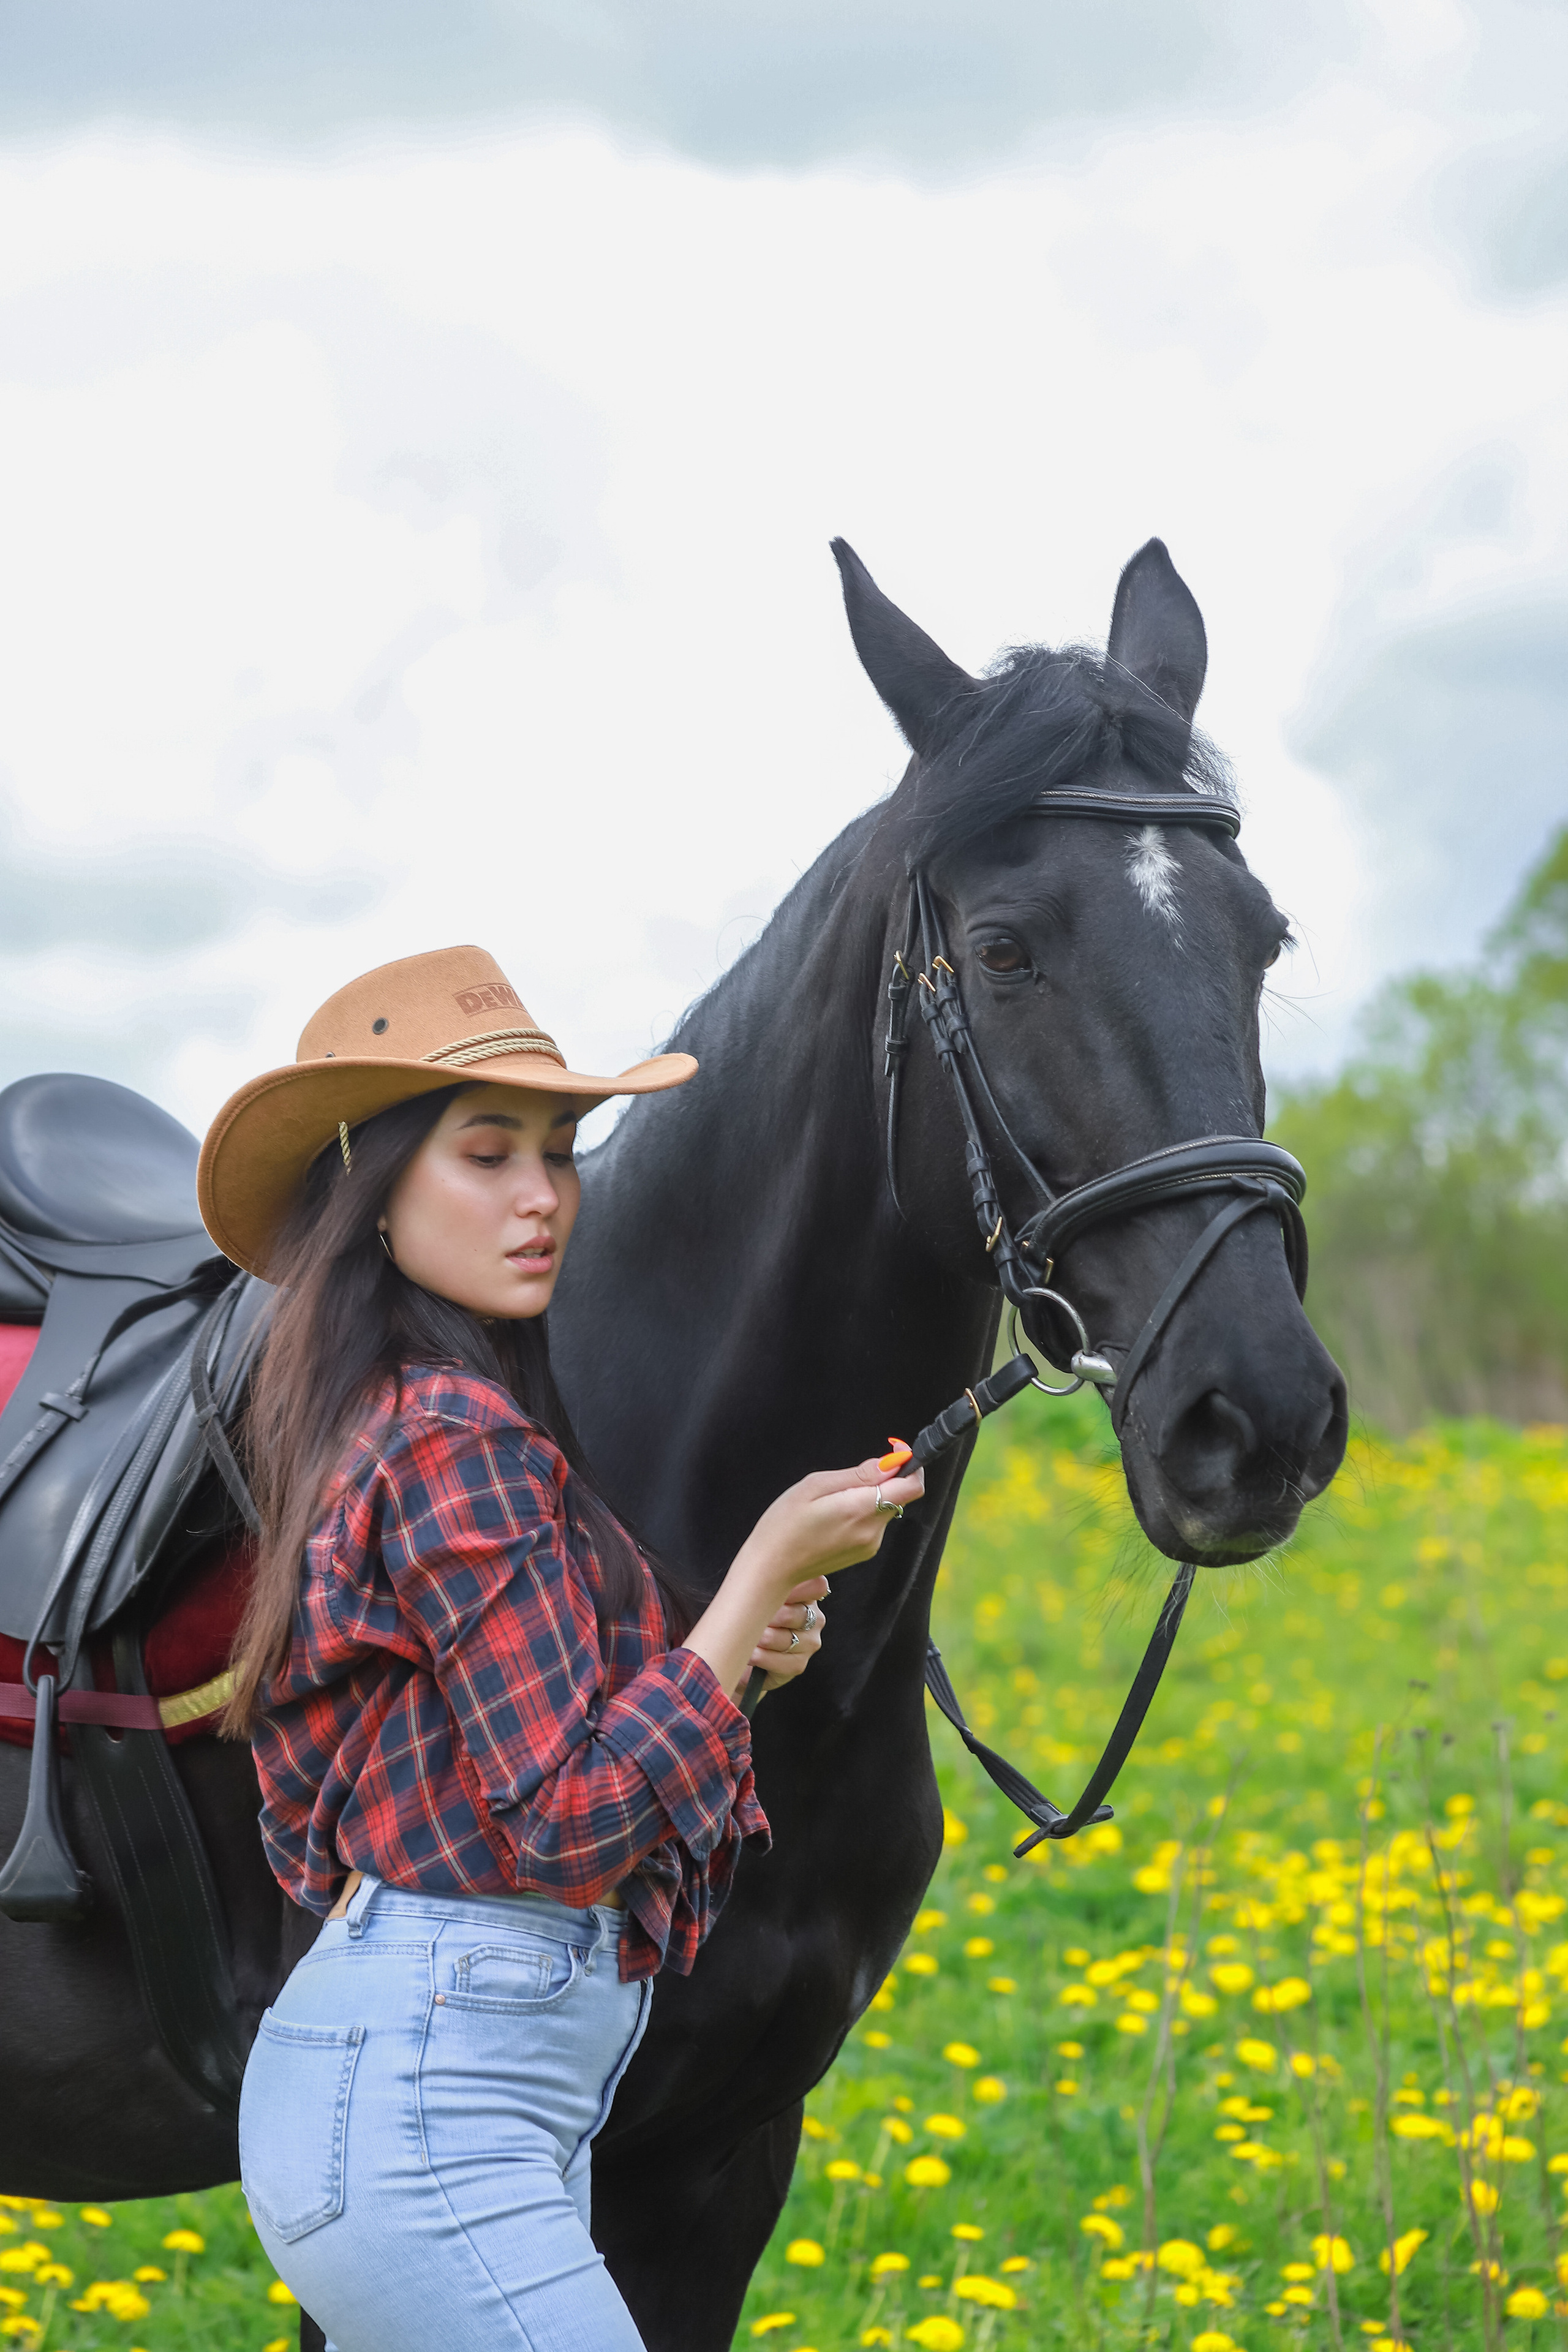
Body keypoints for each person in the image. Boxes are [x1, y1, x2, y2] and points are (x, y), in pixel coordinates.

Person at [197, 944, 924, 2352]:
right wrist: (755, 1572)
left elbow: (441, 1779)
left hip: (408, 2106)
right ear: (374, 1194)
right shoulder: (457, 1442)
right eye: (486, 1154)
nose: (542, 1198)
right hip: (421, 2133)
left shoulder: (410, 1418)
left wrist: (734, 1659)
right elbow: (571, 1823)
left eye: (560, 1150)